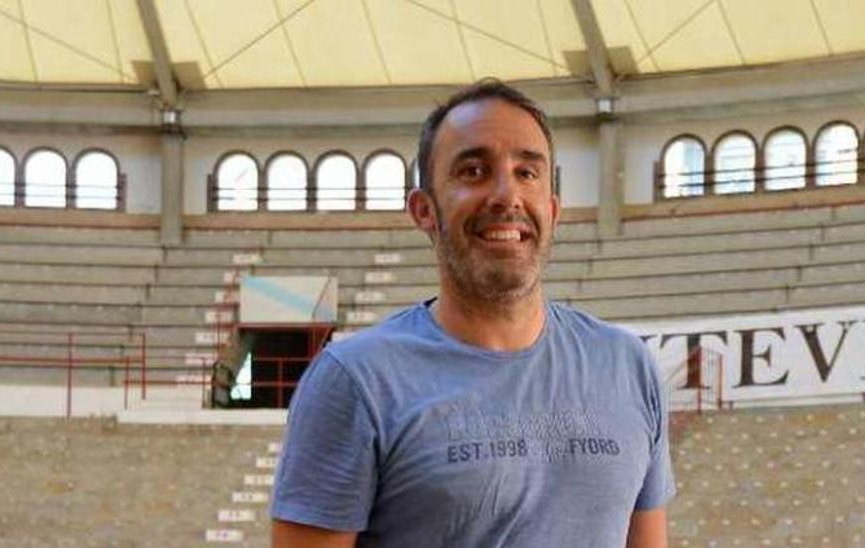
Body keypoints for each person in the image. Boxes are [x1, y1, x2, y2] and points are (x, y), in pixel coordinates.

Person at [270, 79, 675, 547]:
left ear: (554, 209)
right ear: (425, 211)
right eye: (474, 171)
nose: (507, 196)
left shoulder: (627, 365)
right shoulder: (356, 381)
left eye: (527, 173)